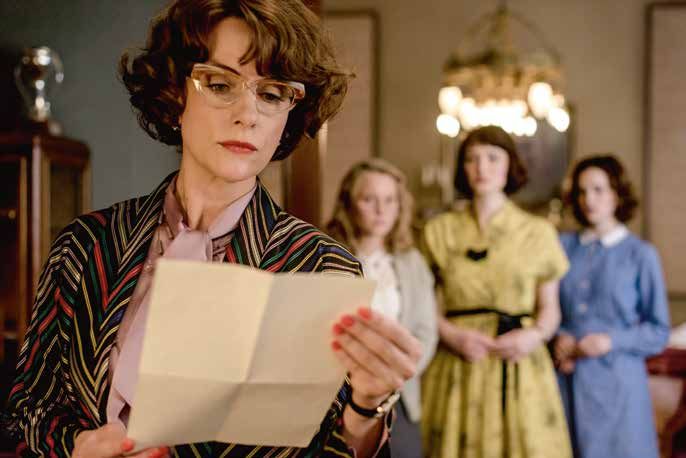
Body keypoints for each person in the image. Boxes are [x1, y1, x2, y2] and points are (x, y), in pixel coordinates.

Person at [2, 1, 421, 457]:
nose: (248, 114)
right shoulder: (85, 244)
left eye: (272, 94)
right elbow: (28, 406)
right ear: (175, 96)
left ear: (288, 116)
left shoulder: (323, 268)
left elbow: (332, 448)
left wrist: (366, 408)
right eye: (220, 84)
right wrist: (77, 446)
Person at [420, 125, 573, 457]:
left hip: (519, 361)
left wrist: (533, 336)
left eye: (492, 158)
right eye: (472, 159)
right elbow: (424, 303)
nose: (482, 168)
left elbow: (550, 307)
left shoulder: (538, 232)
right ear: (462, 168)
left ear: (510, 165)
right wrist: (452, 336)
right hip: (458, 362)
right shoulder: (439, 231)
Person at [554, 155, 670, 458]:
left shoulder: (640, 254)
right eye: (581, 191)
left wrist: (611, 341)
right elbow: (546, 307)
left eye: (598, 189)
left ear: (617, 194)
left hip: (618, 385)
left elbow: (658, 331)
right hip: (566, 380)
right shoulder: (562, 247)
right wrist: (559, 336)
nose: (588, 200)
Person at [326, 158, 438, 458]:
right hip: (335, 396)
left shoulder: (412, 262)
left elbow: (426, 333)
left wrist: (392, 375)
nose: (381, 210)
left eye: (390, 200)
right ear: (348, 203)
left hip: (400, 396)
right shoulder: (327, 256)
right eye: (369, 199)